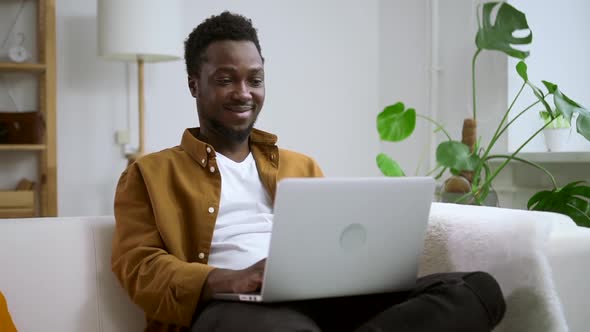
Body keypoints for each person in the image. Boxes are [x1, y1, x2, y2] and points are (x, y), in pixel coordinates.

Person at [111, 11, 506, 332]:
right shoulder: (150, 173)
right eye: (225, 79)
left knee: (475, 290)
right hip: (228, 310)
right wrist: (224, 279)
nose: (243, 92)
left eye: (255, 79)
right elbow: (139, 266)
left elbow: (336, 246)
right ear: (194, 85)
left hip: (321, 303)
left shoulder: (300, 166)